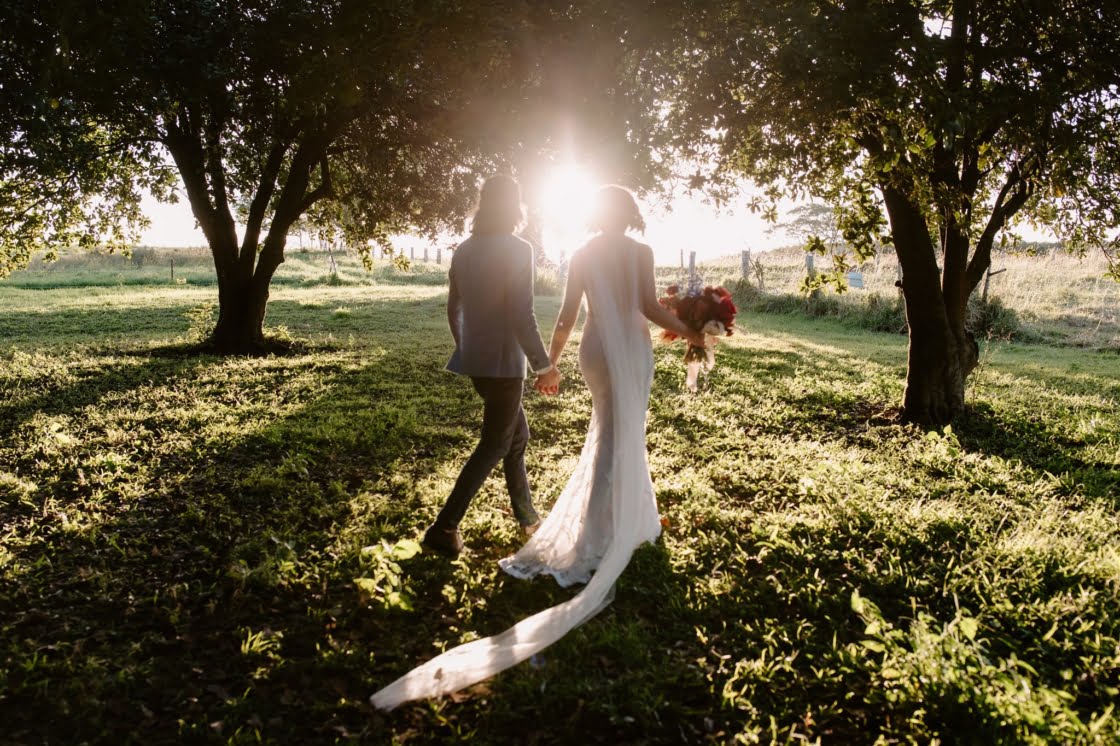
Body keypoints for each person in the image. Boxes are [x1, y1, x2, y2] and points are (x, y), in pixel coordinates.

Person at [371, 185, 703, 710]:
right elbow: (619, 308)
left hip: (538, 356)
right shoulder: (596, 250)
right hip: (569, 356)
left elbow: (533, 311)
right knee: (526, 439)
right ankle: (462, 527)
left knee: (527, 437)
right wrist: (689, 331)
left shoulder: (488, 250)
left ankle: (530, 516)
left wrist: (512, 353)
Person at [421, 175, 561, 558]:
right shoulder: (519, 249)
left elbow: (454, 307)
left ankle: (528, 519)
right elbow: (522, 314)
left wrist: (465, 346)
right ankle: (444, 527)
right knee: (496, 443)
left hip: (475, 362)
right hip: (504, 366)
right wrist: (544, 366)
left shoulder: (464, 250)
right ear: (515, 205)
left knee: (516, 438)